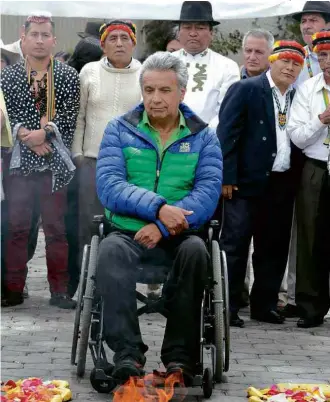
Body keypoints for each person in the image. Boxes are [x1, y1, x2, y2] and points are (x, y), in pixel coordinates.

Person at [95, 51, 222, 384]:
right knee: (109, 251)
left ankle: (181, 359)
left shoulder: (203, 136)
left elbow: (207, 194)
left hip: (179, 234)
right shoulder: (119, 129)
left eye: (164, 90)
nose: (155, 98)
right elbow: (109, 185)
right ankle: (127, 355)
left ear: (181, 92)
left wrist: (162, 224)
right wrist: (157, 208)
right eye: (149, 90)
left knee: (197, 252)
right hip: (127, 232)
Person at [218, 41, 306, 327]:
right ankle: (227, 307)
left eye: (296, 63)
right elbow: (226, 135)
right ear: (272, 61)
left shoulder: (300, 96)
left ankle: (264, 305)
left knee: (273, 247)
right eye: (285, 61)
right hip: (245, 183)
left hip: (281, 183)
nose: (290, 67)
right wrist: (227, 177)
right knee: (235, 245)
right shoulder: (247, 89)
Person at [1, 12, 80, 309]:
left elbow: (70, 117)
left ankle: (59, 290)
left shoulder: (68, 76)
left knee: (56, 228)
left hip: (54, 162)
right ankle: (12, 288)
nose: (39, 40)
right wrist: (25, 135)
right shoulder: (7, 76)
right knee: (18, 226)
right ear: (23, 37)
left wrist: (45, 134)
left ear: (54, 40)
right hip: (19, 163)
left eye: (45, 35)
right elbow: (6, 114)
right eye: (34, 34)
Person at [71, 20, 141, 295]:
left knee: (128, 222)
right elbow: (80, 117)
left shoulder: (145, 73)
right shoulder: (89, 71)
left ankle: (125, 284)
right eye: (113, 38)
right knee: (89, 223)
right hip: (93, 160)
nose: (120, 43)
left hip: (133, 163)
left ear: (134, 43)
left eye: (125, 38)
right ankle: (87, 284)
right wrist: (77, 153)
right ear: (103, 45)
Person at [281, 0, 330, 319]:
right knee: (311, 238)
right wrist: (321, 120)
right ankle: (311, 306)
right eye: (323, 55)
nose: (327, 61)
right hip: (315, 167)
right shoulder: (308, 88)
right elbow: (297, 135)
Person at [173, 1, 240, 128]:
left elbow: (227, 110)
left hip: (208, 139)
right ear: (179, 32)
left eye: (200, 27)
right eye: (187, 27)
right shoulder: (163, 62)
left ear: (211, 33)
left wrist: (203, 136)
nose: (193, 33)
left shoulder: (227, 66)